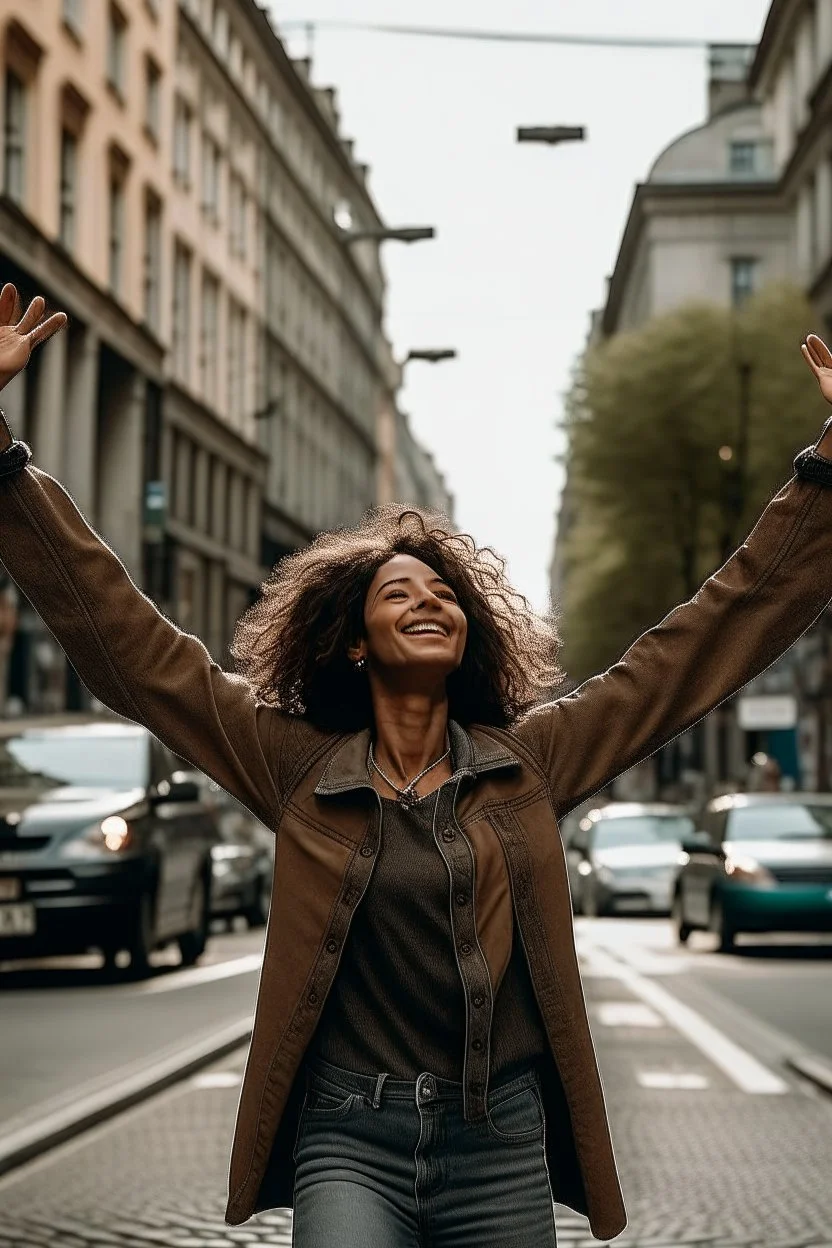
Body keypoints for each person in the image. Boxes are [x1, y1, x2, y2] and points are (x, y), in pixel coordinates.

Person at [3, 284, 832, 1247]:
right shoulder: (292, 762)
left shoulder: (531, 760)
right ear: (354, 641)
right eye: (400, 591)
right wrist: (6, 462)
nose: (430, 600)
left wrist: (823, 475)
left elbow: (700, 644)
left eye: (446, 592)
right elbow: (131, 649)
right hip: (350, 1140)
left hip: (499, 1142)